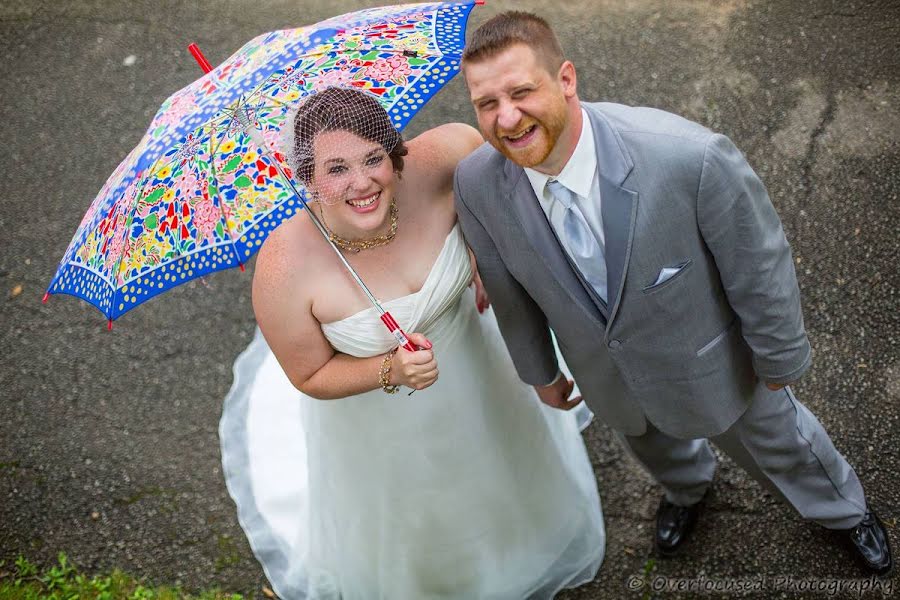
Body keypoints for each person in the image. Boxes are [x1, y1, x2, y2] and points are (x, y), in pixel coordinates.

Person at [454, 11, 892, 576]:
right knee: (652, 443)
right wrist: (540, 371)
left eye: (521, 91)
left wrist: (779, 355)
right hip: (607, 376)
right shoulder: (476, 184)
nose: (506, 118)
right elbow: (507, 289)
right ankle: (689, 490)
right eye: (486, 103)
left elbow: (758, 264)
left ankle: (842, 510)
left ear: (565, 78)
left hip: (717, 362)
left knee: (780, 442)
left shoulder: (689, 157)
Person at [219, 86, 605, 599]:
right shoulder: (282, 270)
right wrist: (389, 371)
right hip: (379, 425)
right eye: (335, 169)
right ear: (306, 178)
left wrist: (484, 249)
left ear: (394, 151)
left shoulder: (447, 155)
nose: (362, 184)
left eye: (374, 158)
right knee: (418, 513)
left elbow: (505, 195)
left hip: (477, 362)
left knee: (504, 460)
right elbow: (308, 375)